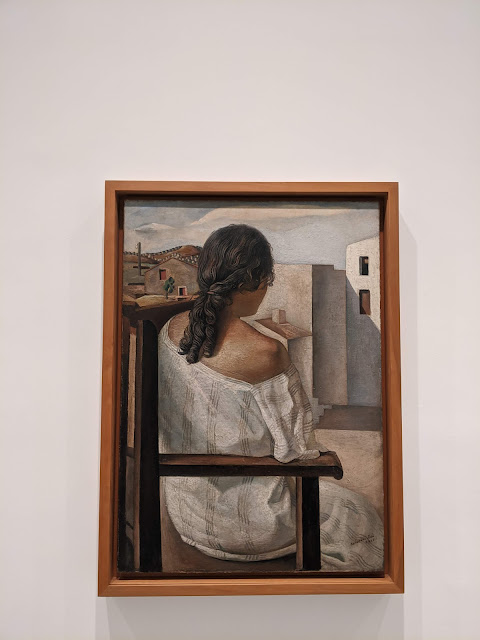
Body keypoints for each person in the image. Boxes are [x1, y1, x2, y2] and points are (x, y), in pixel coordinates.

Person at [158, 224, 383, 570]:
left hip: (187, 514)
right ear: (253, 281)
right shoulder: (267, 352)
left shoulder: (169, 330)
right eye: (267, 281)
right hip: (256, 524)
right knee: (360, 515)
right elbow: (296, 449)